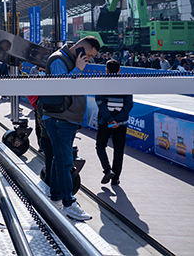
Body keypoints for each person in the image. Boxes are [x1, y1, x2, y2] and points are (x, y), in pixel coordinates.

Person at [38, 36, 100, 221]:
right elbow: (61, 86)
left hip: (67, 118)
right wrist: (78, 69)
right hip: (59, 118)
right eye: (88, 54)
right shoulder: (59, 59)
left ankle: (56, 196)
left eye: (91, 57)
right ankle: (68, 203)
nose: (89, 59)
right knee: (65, 162)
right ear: (79, 47)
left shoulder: (71, 61)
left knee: (59, 160)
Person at [95, 59, 133, 187]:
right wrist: (118, 120)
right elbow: (129, 104)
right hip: (121, 124)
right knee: (118, 150)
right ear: (119, 70)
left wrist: (110, 119)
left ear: (106, 70)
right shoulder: (126, 83)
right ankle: (115, 178)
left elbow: (100, 102)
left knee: (100, 146)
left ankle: (107, 170)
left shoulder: (101, 82)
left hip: (105, 122)